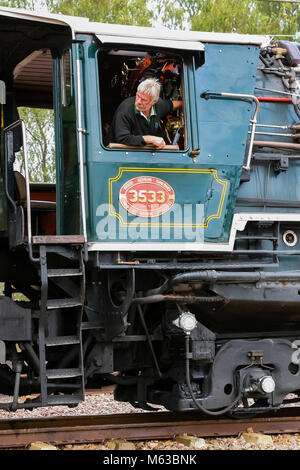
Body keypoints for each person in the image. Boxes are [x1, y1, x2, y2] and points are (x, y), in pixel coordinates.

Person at [106, 78, 182, 149]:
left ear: (154, 102)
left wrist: (186, 103)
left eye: (143, 100)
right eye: (138, 96)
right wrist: (150, 139)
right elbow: (122, 138)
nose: (138, 101)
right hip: (119, 153)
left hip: (144, 152)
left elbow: (171, 105)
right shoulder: (125, 109)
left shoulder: (159, 105)